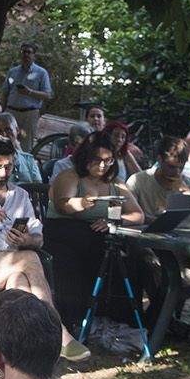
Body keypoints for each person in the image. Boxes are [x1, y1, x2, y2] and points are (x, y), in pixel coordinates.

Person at [0, 137, 90, 363]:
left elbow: (38, 239)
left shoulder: (20, 196)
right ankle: (58, 332)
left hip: (13, 259)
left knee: (19, 281)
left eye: (8, 166)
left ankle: (19, 353)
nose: (3, 173)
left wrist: (26, 239)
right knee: (29, 259)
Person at [45, 131, 143, 339]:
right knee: (84, 249)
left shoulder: (115, 183)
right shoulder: (70, 176)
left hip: (101, 235)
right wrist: (81, 203)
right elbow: (63, 204)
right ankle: (74, 319)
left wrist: (114, 221)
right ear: (86, 158)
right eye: (97, 160)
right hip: (65, 232)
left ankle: (123, 317)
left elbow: (138, 215)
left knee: (132, 256)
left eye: (108, 161)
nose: (102, 165)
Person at [126, 136, 190, 219]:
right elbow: (129, 213)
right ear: (160, 159)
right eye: (171, 167)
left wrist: (189, 196)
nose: (177, 172)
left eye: (181, 167)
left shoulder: (188, 183)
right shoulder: (138, 181)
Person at [2, 43, 53, 147]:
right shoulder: (13, 72)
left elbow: (48, 94)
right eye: (23, 52)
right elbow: (5, 92)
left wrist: (30, 92)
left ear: (34, 55)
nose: (25, 55)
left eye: (28, 52)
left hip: (29, 114)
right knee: (8, 144)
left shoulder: (41, 73)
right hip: (11, 112)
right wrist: (3, 112)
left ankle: (24, 164)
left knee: (26, 146)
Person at [0, 112, 41, 186]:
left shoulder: (28, 160)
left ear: (17, 130)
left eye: (8, 130)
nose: (4, 135)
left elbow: (38, 188)